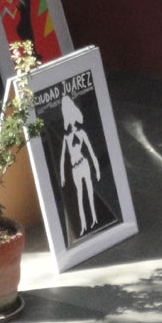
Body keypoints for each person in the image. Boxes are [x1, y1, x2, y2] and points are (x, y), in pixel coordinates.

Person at [59, 95, 101, 236]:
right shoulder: (66, 138)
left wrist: (97, 168)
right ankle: (83, 225)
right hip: (75, 168)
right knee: (80, 196)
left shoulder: (82, 133)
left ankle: (95, 219)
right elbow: (63, 158)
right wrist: (63, 176)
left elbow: (91, 151)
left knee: (90, 192)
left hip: (84, 163)